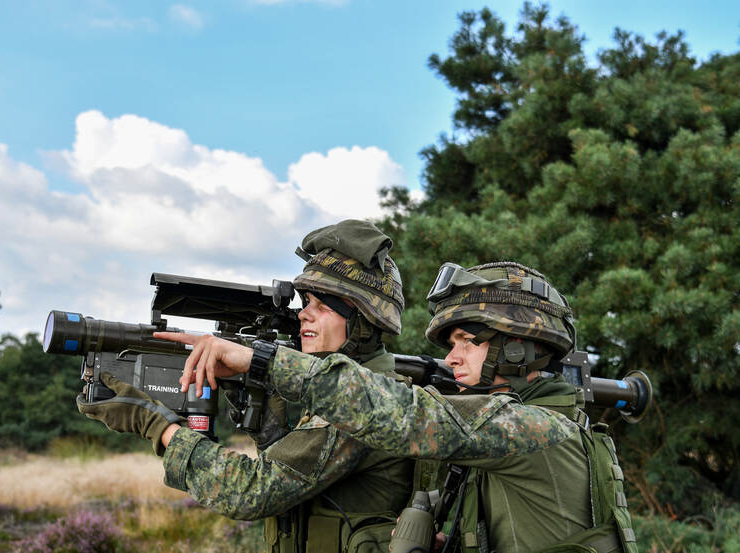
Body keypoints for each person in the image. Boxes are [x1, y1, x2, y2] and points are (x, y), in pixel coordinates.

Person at [163, 261, 639, 553]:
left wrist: (262, 360)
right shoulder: (525, 426)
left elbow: (405, 416)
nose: (451, 357)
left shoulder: (534, 429)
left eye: (468, 342)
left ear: (521, 348)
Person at [78, 219, 414, 553]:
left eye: (322, 306)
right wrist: (270, 432)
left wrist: (157, 426)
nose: (303, 315)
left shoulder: (363, 399)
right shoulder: (346, 387)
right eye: (306, 303)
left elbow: (251, 491)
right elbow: (303, 485)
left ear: (364, 322)